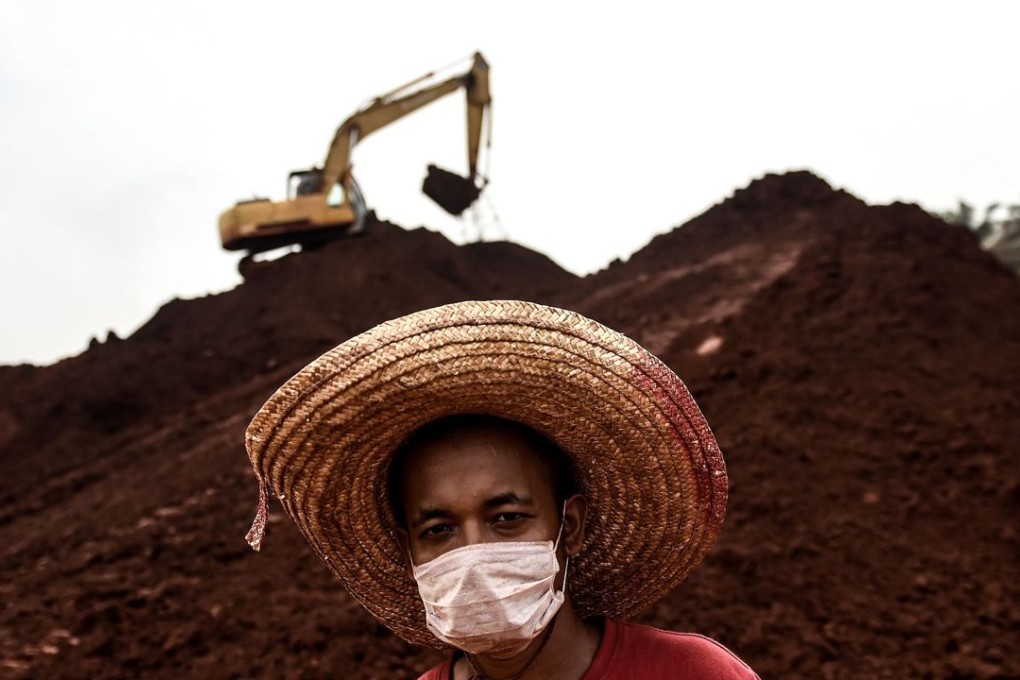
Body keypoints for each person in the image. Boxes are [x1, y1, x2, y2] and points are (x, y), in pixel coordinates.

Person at [244, 300, 759, 679]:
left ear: (570, 526)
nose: (473, 554)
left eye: (507, 518)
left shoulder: (692, 673)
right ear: (410, 551)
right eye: (439, 529)